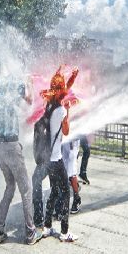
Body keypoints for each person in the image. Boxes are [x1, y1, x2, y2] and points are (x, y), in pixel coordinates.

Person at [0, 74, 43, 246]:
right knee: (25, 189)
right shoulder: (13, 86)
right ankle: (30, 232)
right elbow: (29, 100)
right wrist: (29, 84)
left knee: (10, 187)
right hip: (12, 146)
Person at [32, 66, 78, 239]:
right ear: (61, 88)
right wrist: (68, 114)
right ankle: (65, 232)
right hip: (55, 159)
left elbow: (63, 90)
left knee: (54, 191)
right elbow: (66, 132)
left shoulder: (49, 105)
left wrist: (69, 77)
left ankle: (47, 225)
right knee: (65, 192)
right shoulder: (61, 110)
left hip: (45, 158)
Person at [61, 139, 82, 214]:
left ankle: (76, 198)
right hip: (65, 141)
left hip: (73, 143)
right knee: (63, 169)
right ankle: (61, 202)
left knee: (72, 173)